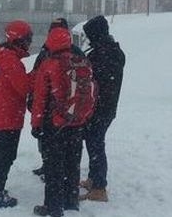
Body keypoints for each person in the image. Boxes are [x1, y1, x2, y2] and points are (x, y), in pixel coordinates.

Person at [30, 27, 92, 217]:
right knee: (73, 164)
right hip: (76, 122)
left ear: (50, 42)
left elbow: (39, 98)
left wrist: (36, 124)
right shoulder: (82, 62)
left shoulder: (48, 64)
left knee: (53, 167)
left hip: (54, 124)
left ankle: (53, 207)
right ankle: (71, 201)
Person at [0, 20, 33, 209]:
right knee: (6, 155)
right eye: (28, 39)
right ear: (19, 40)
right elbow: (25, 87)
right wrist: (36, 75)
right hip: (8, 116)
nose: (29, 43)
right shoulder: (11, 61)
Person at [29, 18, 86, 179]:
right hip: (74, 109)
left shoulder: (46, 53)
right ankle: (70, 192)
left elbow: (37, 83)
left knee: (50, 145)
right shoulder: (76, 52)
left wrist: (34, 111)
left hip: (51, 110)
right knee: (72, 150)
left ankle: (50, 171)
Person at [79, 15, 125, 202]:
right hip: (106, 107)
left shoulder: (102, 54)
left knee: (96, 144)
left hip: (99, 108)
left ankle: (99, 187)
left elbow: (92, 80)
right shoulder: (113, 51)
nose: (88, 39)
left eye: (90, 35)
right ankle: (93, 179)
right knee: (94, 142)